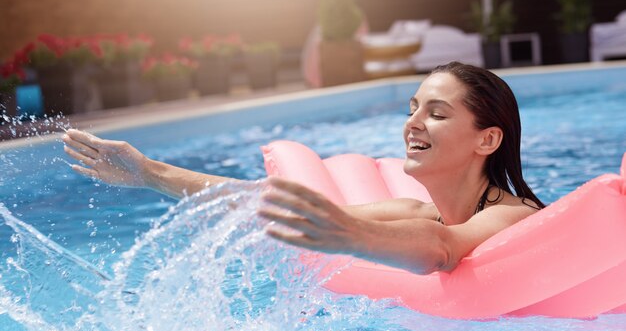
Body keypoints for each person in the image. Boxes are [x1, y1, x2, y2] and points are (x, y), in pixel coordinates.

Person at [63, 62, 544, 275]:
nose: (413, 123)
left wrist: (351, 235)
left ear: (488, 138)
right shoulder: (414, 209)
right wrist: (149, 172)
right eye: (413, 108)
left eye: (436, 113)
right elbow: (263, 202)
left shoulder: (515, 216)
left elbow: (443, 250)